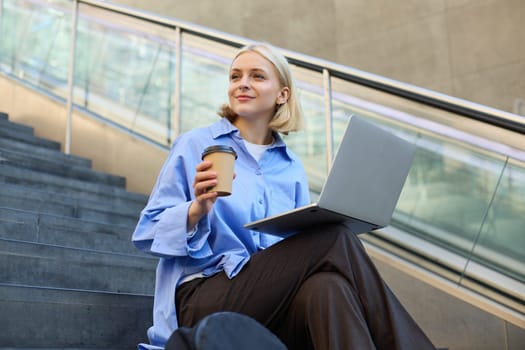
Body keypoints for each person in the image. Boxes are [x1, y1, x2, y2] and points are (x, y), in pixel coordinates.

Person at [132, 42, 436, 350]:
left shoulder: (291, 168)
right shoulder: (196, 144)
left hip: (272, 301)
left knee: (327, 288)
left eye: (257, 76)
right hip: (204, 299)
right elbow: (147, 232)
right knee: (335, 238)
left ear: (282, 94)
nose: (243, 84)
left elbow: (296, 250)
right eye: (235, 76)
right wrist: (196, 210)